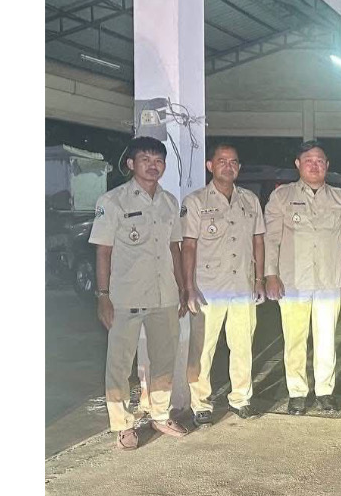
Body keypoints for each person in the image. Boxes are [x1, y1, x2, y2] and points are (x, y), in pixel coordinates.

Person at [89, 136, 190, 450]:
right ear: (131, 164)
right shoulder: (113, 201)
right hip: (126, 297)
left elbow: (174, 248)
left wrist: (183, 288)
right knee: (120, 364)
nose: (153, 166)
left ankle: (160, 414)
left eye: (158, 160)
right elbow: (103, 252)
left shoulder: (169, 202)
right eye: (145, 159)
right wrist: (103, 296)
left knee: (164, 358)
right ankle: (122, 424)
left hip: (164, 295)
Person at [263, 140, 341, 415]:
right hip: (293, 281)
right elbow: (271, 239)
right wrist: (270, 274)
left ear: (327, 165)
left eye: (319, 161)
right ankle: (297, 392)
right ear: (298, 164)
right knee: (295, 340)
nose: (314, 166)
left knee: (327, 340)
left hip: (329, 279)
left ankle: (325, 391)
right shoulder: (281, 197)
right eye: (308, 161)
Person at [181, 143, 265, 426]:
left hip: (242, 285)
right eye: (222, 161)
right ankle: (200, 404)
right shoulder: (195, 201)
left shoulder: (249, 200)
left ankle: (241, 398)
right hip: (208, 288)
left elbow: (258, 241)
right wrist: (189, 287)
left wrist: (259, 279)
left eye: (233, 162)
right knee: (202, 348)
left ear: (239, 168)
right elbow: (188, 246)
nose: (228, 166)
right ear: (210, 166)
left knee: (242, 346)